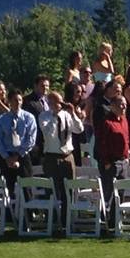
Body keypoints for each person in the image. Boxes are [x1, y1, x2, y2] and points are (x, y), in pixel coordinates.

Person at [38, 91, 83, 227]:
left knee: (68, 190)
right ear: (50, 102)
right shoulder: (44, 116)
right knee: (52, 190)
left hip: (67, 155)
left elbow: (79, 129)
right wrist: (54, 115)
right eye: (56, 101)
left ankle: (67, 221)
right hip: (52, 156)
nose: (59, 104)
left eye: (60, 101)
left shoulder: (67, 115)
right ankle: (51, 221)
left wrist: (73, 113)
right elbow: (48, 133)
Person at [0, 89, 37, 196]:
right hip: (7, 156)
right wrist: (7, 157)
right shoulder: (2, 119)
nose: (18, 103)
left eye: (20, 100)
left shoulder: (28, 118)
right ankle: (9, 211)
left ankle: (29, 212)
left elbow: (31, 139)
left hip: (22, 155)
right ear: (9, 102)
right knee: (8, 188)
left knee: (27, 189)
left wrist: (17, 156)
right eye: (15, 100)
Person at [95, 96, 130, 227]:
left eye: (125, 104)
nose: (124, 107)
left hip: (123, 161)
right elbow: (101, 144)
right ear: (113, 106)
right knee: (108, 193)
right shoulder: (106, 122)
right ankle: (103, 223)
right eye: (121, 105)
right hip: (111, 163)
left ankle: (115, 222)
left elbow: (126, 139)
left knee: (120, 193)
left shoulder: (124, 120)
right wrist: (106, 162)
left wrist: (127, 156)